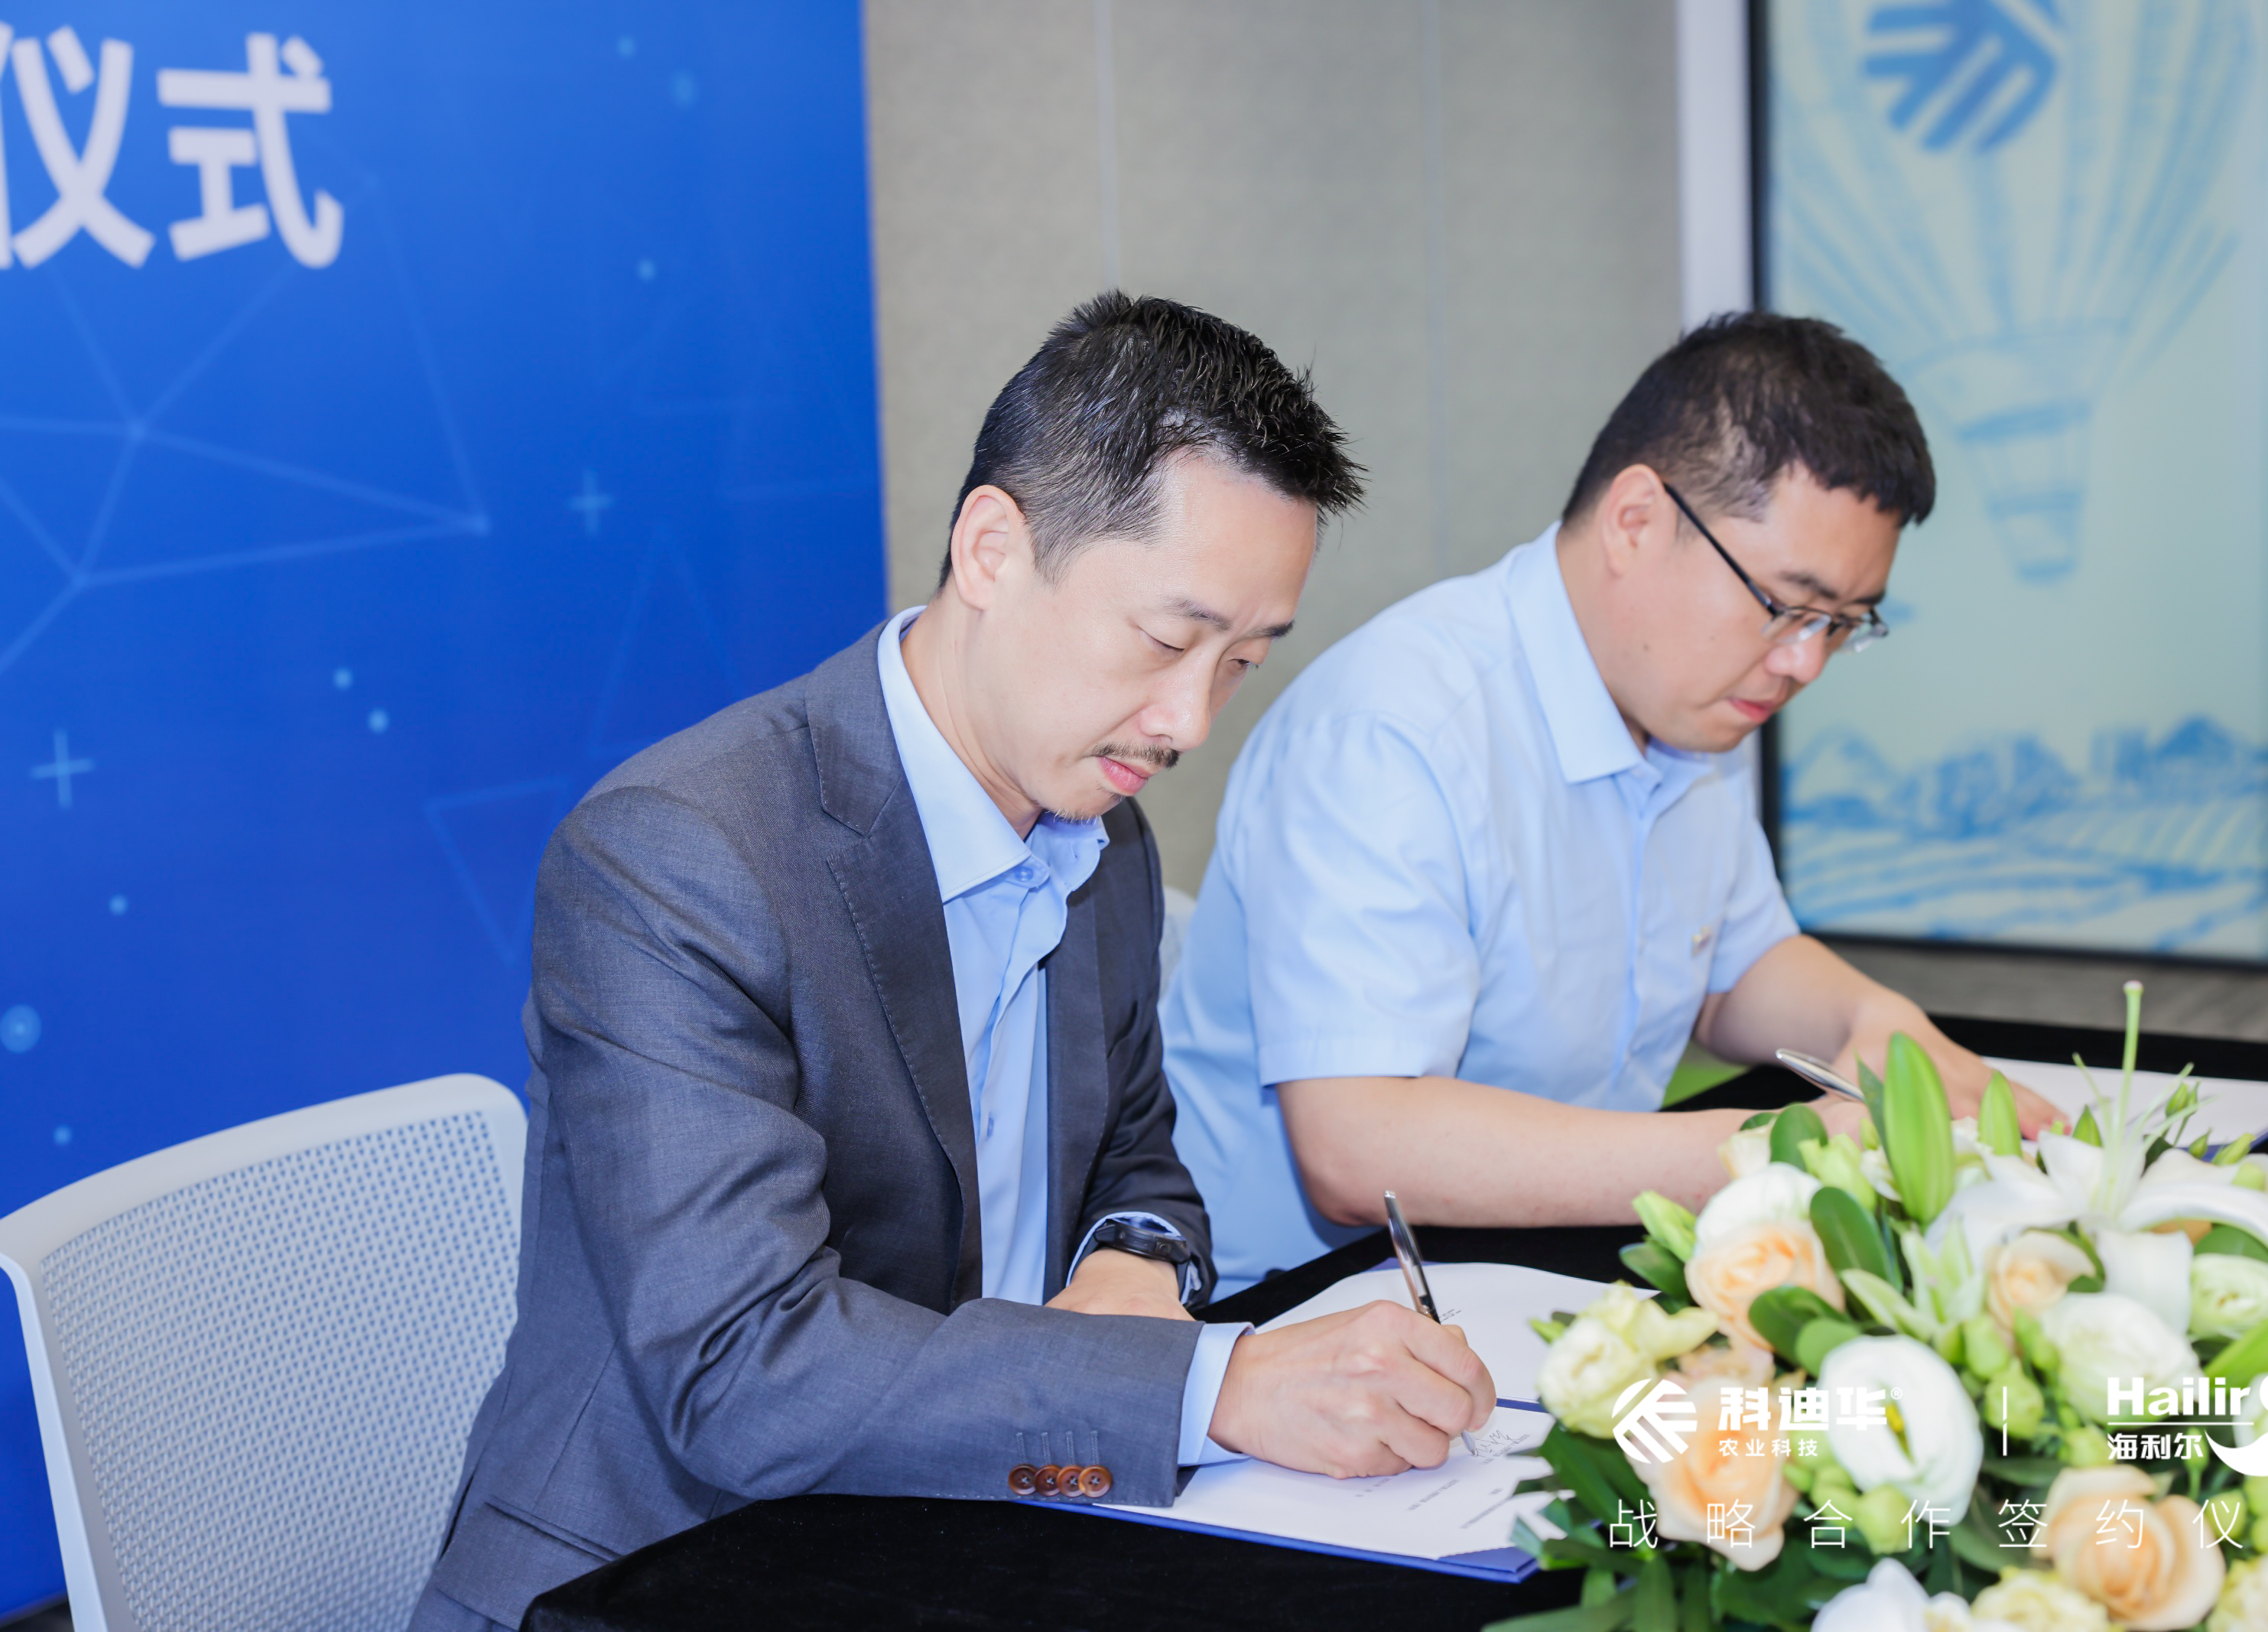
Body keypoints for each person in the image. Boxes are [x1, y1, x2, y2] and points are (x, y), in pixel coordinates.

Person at [411, 294, 1495, 1630]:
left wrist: (1135, 1266)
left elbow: (1140, 1162)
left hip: (967, 1521)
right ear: (992, 548)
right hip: (661, 1567)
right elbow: (744, 1368)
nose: (1188, 720)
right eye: (1167, 640)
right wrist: (1214, 1385)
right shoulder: (681, 855)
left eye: (1242, 663)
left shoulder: (1101, 824)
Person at [1162, 312, 2058, 1296]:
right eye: (1784, 606)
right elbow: (1358, 1145)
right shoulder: (1394, 730)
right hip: (1292, 1303)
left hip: (1529, 1272)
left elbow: (1732, 969)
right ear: (1636, 521)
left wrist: (1872, 1016)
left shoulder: (1688, 708)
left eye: (1841, 624)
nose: (1805, 663)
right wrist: (1772, 1147)